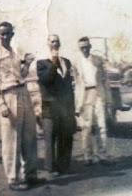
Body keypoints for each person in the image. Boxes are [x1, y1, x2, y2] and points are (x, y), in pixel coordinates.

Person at [0, 21, 44, 191]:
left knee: (29, 137)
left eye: (8, 33)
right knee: (12, 141)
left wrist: (27, 64)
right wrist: (1, 103)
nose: (5, 37)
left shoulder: (17, 52)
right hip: (8, 95)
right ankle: (13, 178)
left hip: (24, 92)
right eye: (2, 34)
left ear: (12, 34)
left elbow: (23, 75)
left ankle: (30, 174)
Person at [37, 34, 77, 179]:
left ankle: (64, 166)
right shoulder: (41, 63)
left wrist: (72, 107)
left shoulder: (66, 61)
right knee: (50, 137)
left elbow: (69, 85)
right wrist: (53, 62)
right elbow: (46, 80)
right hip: (50, 106)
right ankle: (51, 168)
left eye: (57, 41)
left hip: (65, 106)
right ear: (48, 43)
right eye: (52, 41)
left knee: (65, 136)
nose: (55, 44)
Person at [73, 36, 114, 166]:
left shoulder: (98, 60)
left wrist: (108, 98)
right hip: (85, 95)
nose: (84, 49)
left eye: (86, 47)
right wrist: (77, 103)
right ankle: (87, 156)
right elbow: (76, 83)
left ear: (90, 47)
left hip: (98, 93)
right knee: (86, 127)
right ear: (79, 49)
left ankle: (102, 154)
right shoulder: (76, 63)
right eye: (82, 48)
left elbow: (105, 80)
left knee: (101, 125)